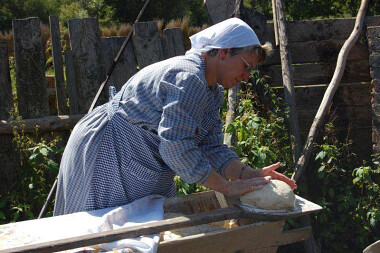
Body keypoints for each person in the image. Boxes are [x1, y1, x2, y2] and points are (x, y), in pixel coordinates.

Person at [54, 17, 296, 216]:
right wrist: (226, 187)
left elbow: (211, 148)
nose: (247, 77)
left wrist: (250, 175)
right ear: (223, 52)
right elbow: (176, 149)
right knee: (102, 233)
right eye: (246, 67)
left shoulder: (213, 91)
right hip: (108, 151)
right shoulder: (189, 77)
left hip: (135, 156)